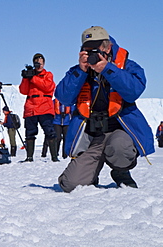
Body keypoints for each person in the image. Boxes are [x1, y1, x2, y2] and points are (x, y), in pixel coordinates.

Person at [55, 26, 154, 192]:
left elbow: (134, 91)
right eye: (87, 48)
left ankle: (121, 172)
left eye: (96, 48)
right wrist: (81, 71)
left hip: (120, 132)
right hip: (94, 136)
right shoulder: (79, 71)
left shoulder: (126, 66)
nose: (92, 52)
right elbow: (63, 97)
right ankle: (90, 173)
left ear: (107, 47)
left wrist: (108, 69)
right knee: (70, 184)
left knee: (118, 148)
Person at [19, 53, 59, 162]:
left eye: (40, 63)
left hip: (45, 107)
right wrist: (25, 78)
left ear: (44, 64)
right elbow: (23, 91)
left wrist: (33, 78)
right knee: (30, 133)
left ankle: (54, 157)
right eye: (37, 63)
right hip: (31, 108)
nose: (39, 66)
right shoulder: (30, 76)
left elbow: (47, 87)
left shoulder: (48, 75)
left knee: (50, 132)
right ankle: (29, 157)